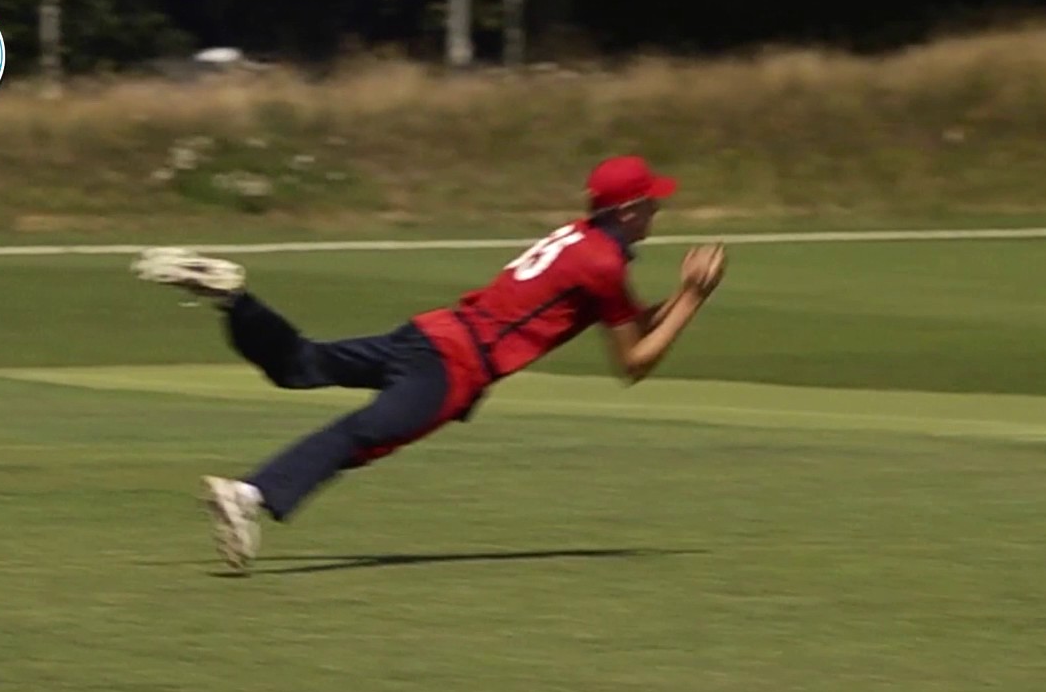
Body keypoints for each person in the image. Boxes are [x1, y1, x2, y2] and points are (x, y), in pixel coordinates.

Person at [131, 155, 727, 574]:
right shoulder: (603, 265)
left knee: (302, 364)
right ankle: (248, 494)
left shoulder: (580, 239)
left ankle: (237, 300)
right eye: (651, 203)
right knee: (364, 434)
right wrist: (694, 299)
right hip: (455, 366)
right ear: (627, 211)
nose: (657, 211)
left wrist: (685, 298)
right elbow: (635, 364)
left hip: (433, 332)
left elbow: (634, 322)